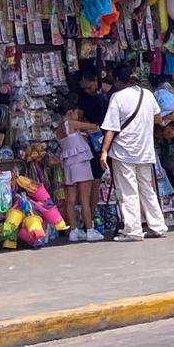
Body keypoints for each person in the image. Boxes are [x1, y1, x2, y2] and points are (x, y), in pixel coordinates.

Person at [99, 62, 167, 242]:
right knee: (147, 189)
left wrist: (104, 151)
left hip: (124, 151)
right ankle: (158, 225)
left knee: (128, 191)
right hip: (145, 150)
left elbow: (111, 128)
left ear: (117, 80)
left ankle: (133, 230)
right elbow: (158, 118)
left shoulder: (117, 97)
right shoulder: (147, 94)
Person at [57, 96, 102, 241]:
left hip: (69, 165)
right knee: (84, 198)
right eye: (76, 112)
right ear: (70, 112)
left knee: (71, 199)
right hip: (81, 164)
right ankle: (90, 230)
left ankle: (74, 230)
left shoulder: (58, 129)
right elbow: (92, 126)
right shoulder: (71, 123)